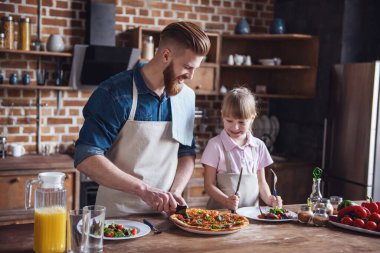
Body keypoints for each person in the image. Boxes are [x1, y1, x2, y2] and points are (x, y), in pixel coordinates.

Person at [74, 22, 211, 216]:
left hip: (164, 216)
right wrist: (144, 190)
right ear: (166, 55)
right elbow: (86, 156)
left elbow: (186, 152)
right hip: (117, 216)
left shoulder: (186, 97)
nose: (191, 76)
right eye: (188, 67)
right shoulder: (116, 93)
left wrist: (175, 191)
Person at [201, 87, 282, 211]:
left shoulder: (258, 146)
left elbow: (261, 182)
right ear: (222, 115)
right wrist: (226, 201)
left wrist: (270, 199)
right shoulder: (215, 146)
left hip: (250, 216)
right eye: (229, 121)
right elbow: (209, 185)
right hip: (220, 216)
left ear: (252, 118)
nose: (235, 127)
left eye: (242, 122)